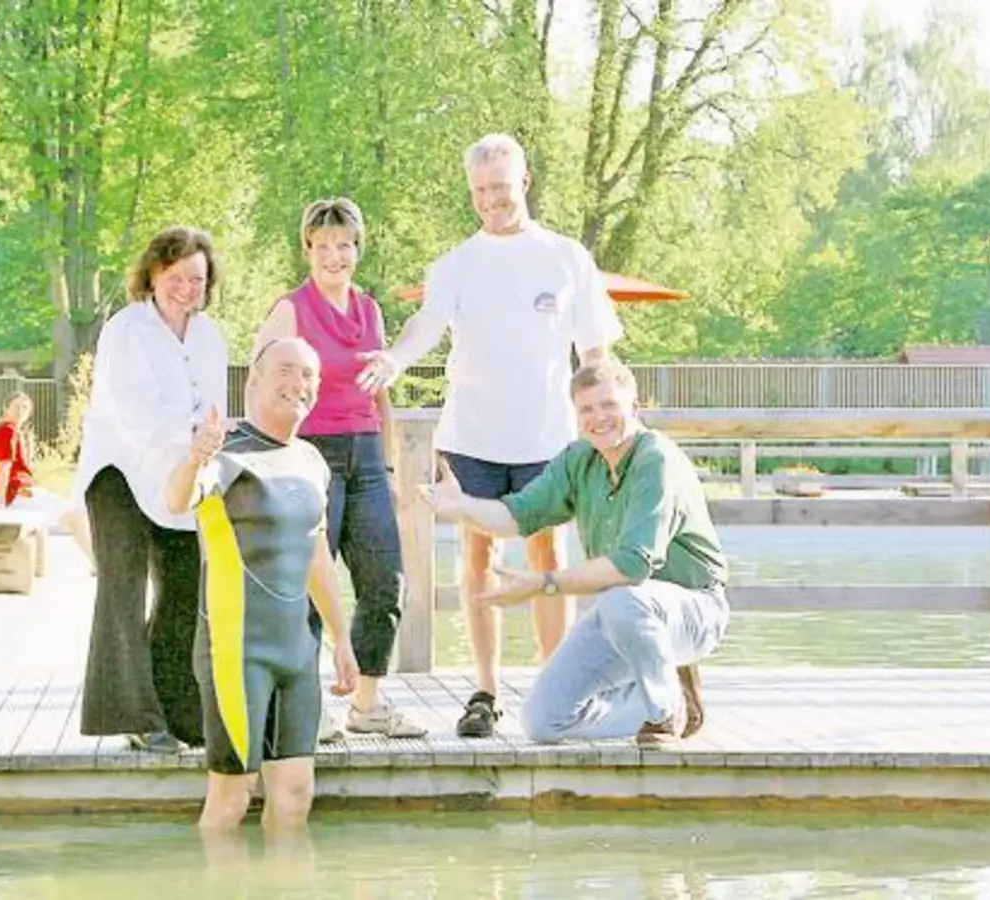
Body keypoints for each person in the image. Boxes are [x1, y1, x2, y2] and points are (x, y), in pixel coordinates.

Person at [355, 133, 624, 737]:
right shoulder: (456, 264)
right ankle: (485, 690)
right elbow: (428, 322)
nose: (490, 201)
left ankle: (555, 685)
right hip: (472, 435)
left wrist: (606, 418)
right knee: (478, 558)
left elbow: (595, 351)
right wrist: (395, 358)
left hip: (547, 437)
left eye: (499, 188)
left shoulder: (565, 257)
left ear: (523, 182)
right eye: (479, 191)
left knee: (548, 556)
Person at [418, 361, 724, 745]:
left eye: (609, 405)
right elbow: (517, 515)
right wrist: (462, 506)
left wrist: (545, 584)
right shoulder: (579, 459)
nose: (599, 417)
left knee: (623, 599)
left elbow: (633, 565)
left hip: (693, 612)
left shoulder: (656, 459)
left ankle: (662, 713)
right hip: (624, 615)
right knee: (544, 721)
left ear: (635, 406)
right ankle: (672, 700)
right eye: (587, 409)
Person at [163, 337, 360, 830]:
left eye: (309, 374)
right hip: (237, 651)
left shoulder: (311, 460)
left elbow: (317, 556)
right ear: (254, 380)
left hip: (297, 652)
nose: (298, 383)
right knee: (231, 798)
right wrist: (194, 459)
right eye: (285, 370)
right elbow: (176, 501)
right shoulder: (226, 452)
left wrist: (341, 638)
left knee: (296, 795)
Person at [250, 198, 425, 739]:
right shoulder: (291, 310)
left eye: (344, 245)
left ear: (357, 249)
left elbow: (381, 393)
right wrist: (269, 458)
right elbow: (259, 384)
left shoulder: (369, 310)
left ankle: (367, 704)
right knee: (306, 586)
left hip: (367, 456)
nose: (334, 256)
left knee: (385, 580)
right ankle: (306, 708)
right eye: (323, 245)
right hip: (310, 456)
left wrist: (389, 470)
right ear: (307, 249)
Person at [72, 226, 228, 753]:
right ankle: (133, 715)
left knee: (186, 588)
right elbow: (135, 415)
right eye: (175, 277)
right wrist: (192, 439)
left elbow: (213, 408)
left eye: (196, 279)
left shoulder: (210, 336)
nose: (186, 288)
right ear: (153, 275)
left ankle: (180, 711)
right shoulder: (126, 329)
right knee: (123, 588)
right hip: (119, 472)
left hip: (181, 475)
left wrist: (206, 450)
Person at [0, 391, 96, 572]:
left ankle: (95, 563)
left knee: (74, 515)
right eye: (16, 407)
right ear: (6, 408)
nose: (20, 411)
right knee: (74, 516)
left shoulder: (7, 430)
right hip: (17, 495)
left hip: (21, 493)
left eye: (25, 408)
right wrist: (2, 502)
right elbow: (4, 467)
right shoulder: (7, 431)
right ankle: (97, 565)